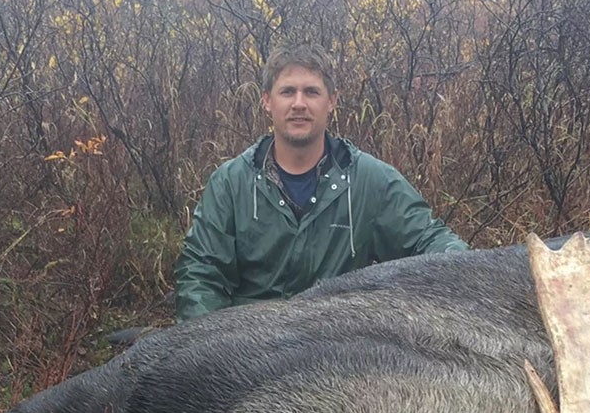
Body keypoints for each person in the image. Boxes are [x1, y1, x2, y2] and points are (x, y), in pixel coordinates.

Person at [175, 43, 466, 321]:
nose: (299, 104)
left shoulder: (370, 180)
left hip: (338, 345)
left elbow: (427, 241)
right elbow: (201, 274)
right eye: (287, 91)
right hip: (251, 350)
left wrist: (475, 270)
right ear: (267, 100)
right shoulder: (230, 183)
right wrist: (211, 349)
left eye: (311, 92)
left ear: (332, 101)